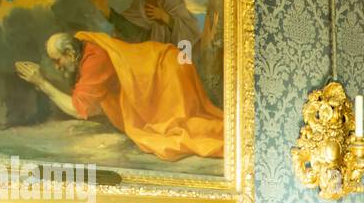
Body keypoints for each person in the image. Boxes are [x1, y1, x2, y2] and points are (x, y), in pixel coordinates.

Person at [15, 32, 224, 161]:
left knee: (179, 126)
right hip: (161, 66)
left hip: (167, 71)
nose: (56, 66)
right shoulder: (81, 43)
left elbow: (78, 109)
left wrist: (42, 82)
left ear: (70, 54)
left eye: (57, 60)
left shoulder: (95, 61)